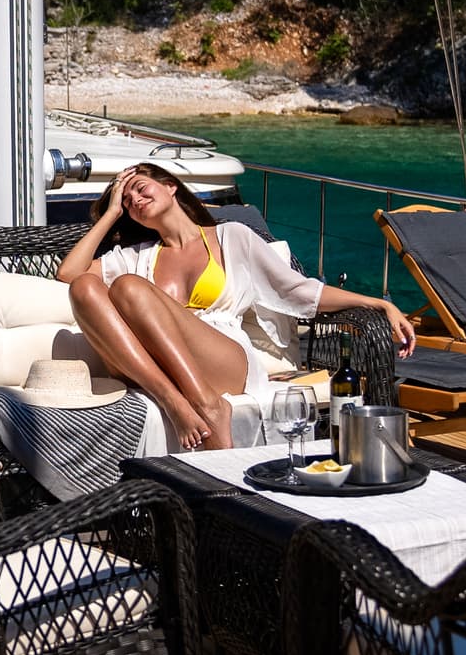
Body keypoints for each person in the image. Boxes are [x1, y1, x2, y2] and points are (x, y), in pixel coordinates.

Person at [57, 164, 416, 452]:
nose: (134, 198)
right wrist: (110, 213)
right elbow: (68, 274)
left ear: (170, 187)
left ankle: (208, 405)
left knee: (129, 288)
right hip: (158, 371)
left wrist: (378, 302)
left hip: (221, 358)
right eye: (127, 200)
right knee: (87, 287)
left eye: (140, 187)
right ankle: (176, 403)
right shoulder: (136, 256)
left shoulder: (232, 237)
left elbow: (300, 291)